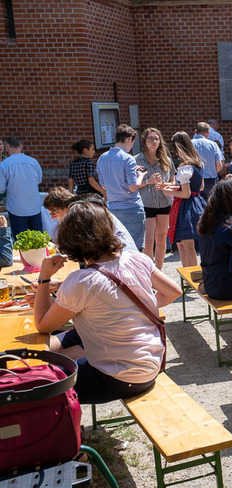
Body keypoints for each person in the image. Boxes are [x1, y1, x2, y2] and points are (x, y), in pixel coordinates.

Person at [33, 201, 182, 403]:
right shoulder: (136, 258)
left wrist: (44, 277)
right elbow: (173, 292)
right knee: (65, 339)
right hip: (150, 365)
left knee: (34, 384)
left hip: (118, 378)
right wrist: (130, 307)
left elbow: (43, 325)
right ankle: (38, 355)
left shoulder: (82, 281)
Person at [96, 125, 147, 251]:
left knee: (117, 248)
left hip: (112, 207)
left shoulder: (102, 158)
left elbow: (104, 186)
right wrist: (140, 176)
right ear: (129, 139)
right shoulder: (128, 158)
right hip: (131, 207)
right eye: (133, 142)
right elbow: (133, 187)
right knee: (134, 249)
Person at [163, 131, 206, 268]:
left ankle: (190, 275)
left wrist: (168, 191)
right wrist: (173, 186)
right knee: (183, 243)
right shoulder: (198, 163)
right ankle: (189, 275)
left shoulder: (184, 166)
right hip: (197, 203)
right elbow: (200, 187)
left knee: (186, 244)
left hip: (185, 207)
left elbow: (186, 194)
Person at [136, 128, 175, 270]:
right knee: (148, 240)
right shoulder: (136, 160)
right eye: (150, 138)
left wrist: (166, 185)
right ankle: (149, 271)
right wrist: (149, 181)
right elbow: (133, 185)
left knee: (161, 238)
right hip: (146, 203)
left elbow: (173, 181)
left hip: (164, 202)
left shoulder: (166, 160)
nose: (154, 141)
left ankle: (159, 270)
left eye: (156, 139)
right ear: (144, 141)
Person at [0, 136, 44, 239]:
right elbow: (39, 180)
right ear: (21, 146)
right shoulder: (33, 162)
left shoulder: (4, 165)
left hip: (16, 208)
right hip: (34, 206)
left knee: (21, 241)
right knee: (38, 239)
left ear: (7, 147)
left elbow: (1, 188)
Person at [192, 122, 225, 200]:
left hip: (194, 180)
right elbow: (219, 165)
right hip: (210, 181)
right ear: (208, 132)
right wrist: (212, 170)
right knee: (210, 204)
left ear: (196, 131)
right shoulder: (213, 145)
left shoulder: (190, 144)